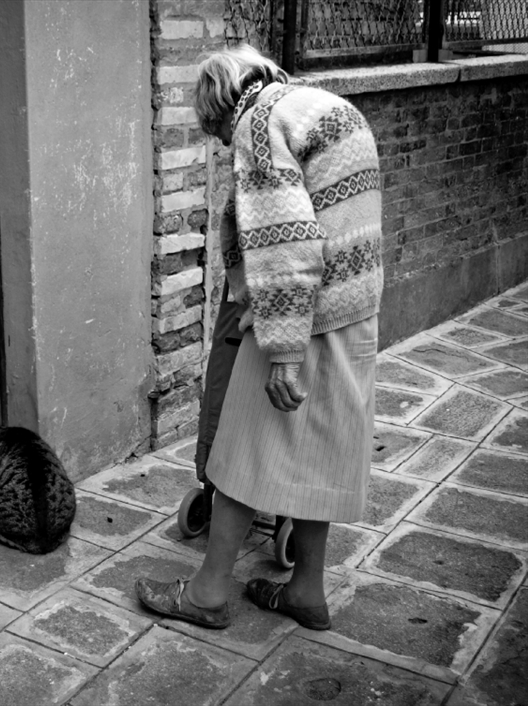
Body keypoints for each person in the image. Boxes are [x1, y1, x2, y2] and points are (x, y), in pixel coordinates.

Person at [136, 44, 383, 631]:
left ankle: (206, 593)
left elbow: (285, 245)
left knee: (243, 452)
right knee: (319, 451)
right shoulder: (323, 105)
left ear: (219, 108)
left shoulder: (257, 123)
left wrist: (283, 353)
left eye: (214, 133)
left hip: (303, 316)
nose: (224, 146)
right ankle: (306, 591)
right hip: (355, 307)